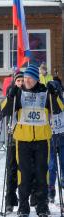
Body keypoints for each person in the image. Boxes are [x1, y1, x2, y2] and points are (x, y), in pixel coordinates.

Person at [0, 64, 64, 217]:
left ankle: (42, 207)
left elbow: (59, 109)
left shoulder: (45, 92)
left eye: (30, 78)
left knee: (42, 174)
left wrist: (55, 94)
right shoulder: (19, 93)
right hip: (22, 141)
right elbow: (3, 111)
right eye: (26, 78)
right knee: (24, 174)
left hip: (42, 140)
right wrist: (10, 95)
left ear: (36, 79)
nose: (27, 80)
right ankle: (23, 207)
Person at [0, 70, 24, 213]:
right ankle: (10, 200)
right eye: (18, 81)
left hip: (27, 140)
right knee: (11, 171)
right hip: (12, 140)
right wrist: (9, 98)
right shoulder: (10, 95)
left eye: (23, 81)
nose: (21, 84)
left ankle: (28, 200)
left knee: (26, 171)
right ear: (14, 82)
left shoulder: (29, 97)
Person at [47, 77, 64, 205]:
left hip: (62, 136)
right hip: (51, 137)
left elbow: (61, 106)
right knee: (51, 166)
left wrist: (56, 94)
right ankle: (51, 190)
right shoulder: (47, 102)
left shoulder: (60, 100)